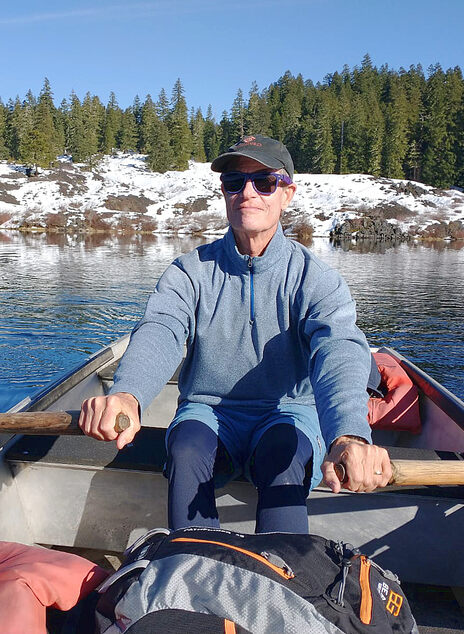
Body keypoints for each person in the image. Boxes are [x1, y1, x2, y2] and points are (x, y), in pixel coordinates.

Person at [78, 135, 391, 534]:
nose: (248, 193)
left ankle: (282, 583)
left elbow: (339, 351)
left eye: (264, 181)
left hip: (287, 415)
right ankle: (194, 570)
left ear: (287, 194)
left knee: (285, 452)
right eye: (234, 182)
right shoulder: (189, 272)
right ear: (224, 192)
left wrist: (349, 435)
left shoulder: (317, 279)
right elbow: (161, 330)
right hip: (209, 412)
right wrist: (127, 393)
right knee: (187, 448)